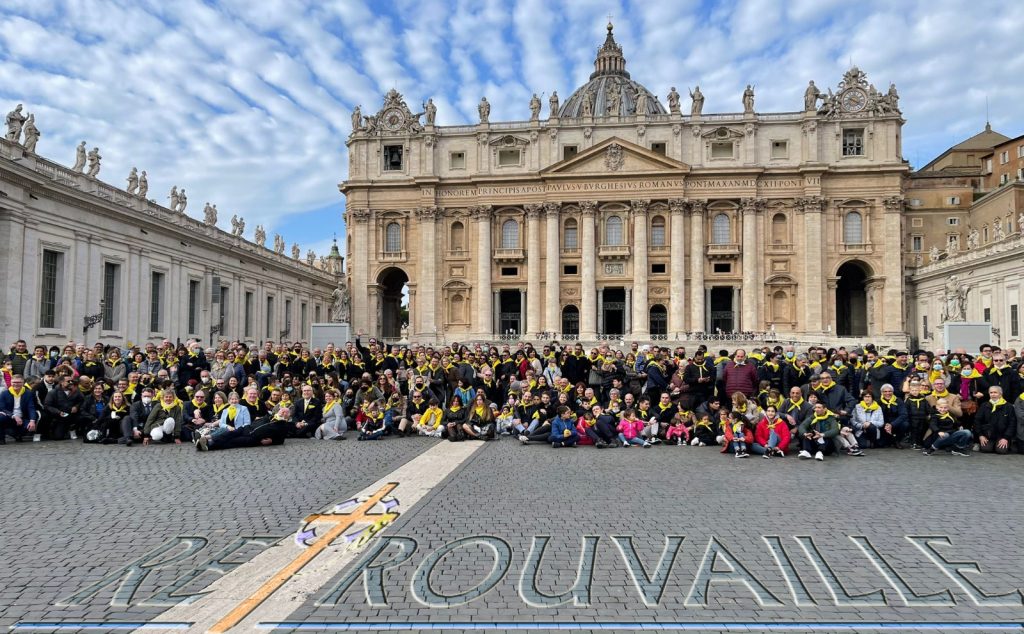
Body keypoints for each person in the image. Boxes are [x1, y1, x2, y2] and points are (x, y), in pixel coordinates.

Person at [975, 386, 1016, 454]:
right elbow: (977, 421)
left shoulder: (1008, 406)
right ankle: (992, 444)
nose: (993, 394)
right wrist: (981, 435)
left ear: (1000, 394)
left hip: (1002, 435)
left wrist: (1006, 438)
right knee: (986, 449)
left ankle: (1005, 443)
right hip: (988, 435)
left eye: (995, 392)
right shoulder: (984, 405)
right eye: (991, 392)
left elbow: (1012, 423)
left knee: (1001, 450)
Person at [0, 375, 37, 443]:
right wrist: (13, 416)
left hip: (23, 417)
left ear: (23, 383)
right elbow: (2, 408)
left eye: (19, 382)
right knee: (1, 417)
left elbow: (31, 408)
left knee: (30, 425)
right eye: (14, 382)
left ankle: (18, 434)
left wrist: (32, 421)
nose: (16, 384)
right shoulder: (4, 393)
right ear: (11, 382)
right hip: (9, 417)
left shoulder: (28, 393)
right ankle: (1, 438)